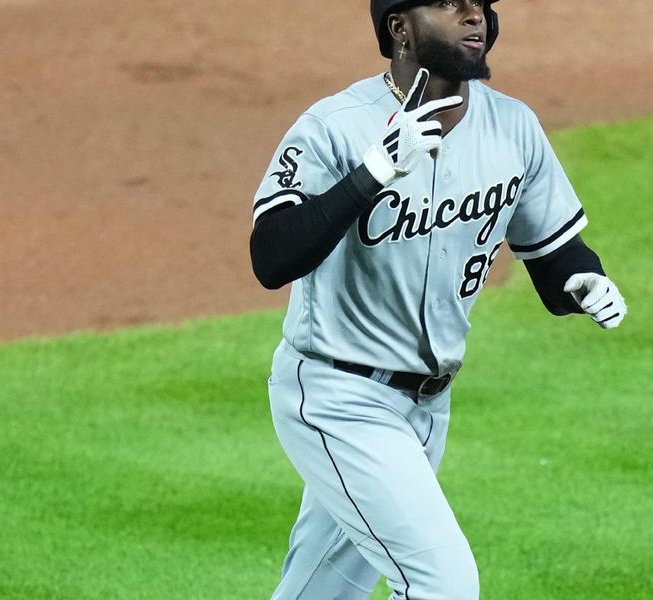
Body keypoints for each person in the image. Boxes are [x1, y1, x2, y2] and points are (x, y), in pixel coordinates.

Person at [249, 1, 627, 598]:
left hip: (426, 411)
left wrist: (584, 282)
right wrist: (372, 170)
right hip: (337, 398)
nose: (474, 16)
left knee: (321, 590)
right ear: (400, 27)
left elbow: (555, 255)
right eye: (450, 4)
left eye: (480, 4)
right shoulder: (335, 126)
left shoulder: (513, 126)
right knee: (443, 584)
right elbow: (271, 257)